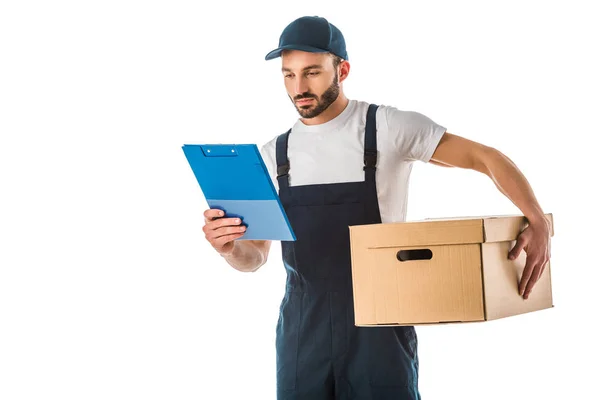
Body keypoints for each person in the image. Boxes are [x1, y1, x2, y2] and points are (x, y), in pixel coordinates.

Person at [201, 16, 551, 400]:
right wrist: (231, 249)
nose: (298, 88)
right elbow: (256, 257)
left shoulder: (387, 127)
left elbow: (483, 157)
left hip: (381, 327)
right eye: (288, 75)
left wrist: (537, 220)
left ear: (343, 69)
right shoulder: (272, 155)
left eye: (312, 73)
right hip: (303, 333)